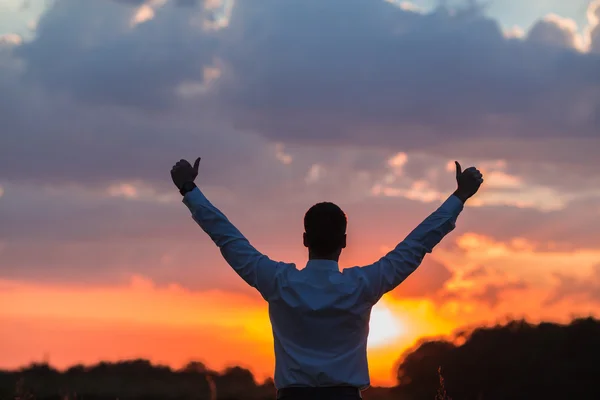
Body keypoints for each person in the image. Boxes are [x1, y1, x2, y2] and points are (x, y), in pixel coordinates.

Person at [171, 157, 483, 400]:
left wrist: (189, 189)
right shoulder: (362, 285)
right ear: (344, 241)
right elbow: (416, 245)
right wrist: (460, 196)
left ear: (305, 239)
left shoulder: (279, 282)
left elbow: (227, 238)